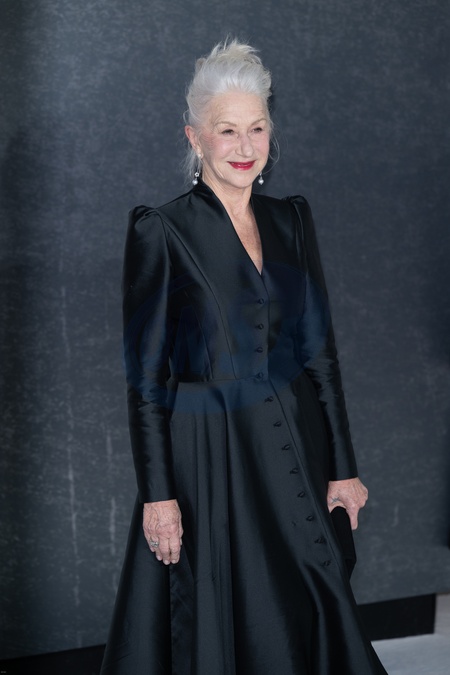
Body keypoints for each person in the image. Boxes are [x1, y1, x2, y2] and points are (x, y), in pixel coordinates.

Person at [101, 39, 387, 675]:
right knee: (227, 613)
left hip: (293, 446)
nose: (244, 145)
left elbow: (320, 353)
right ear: (195, 137)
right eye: (226, 129)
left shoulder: (291, 219)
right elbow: (147, 381)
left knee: (312, 599)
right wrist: (158, 496)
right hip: (209, 457)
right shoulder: (162, 229)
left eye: (256, 127)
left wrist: (343, 467)